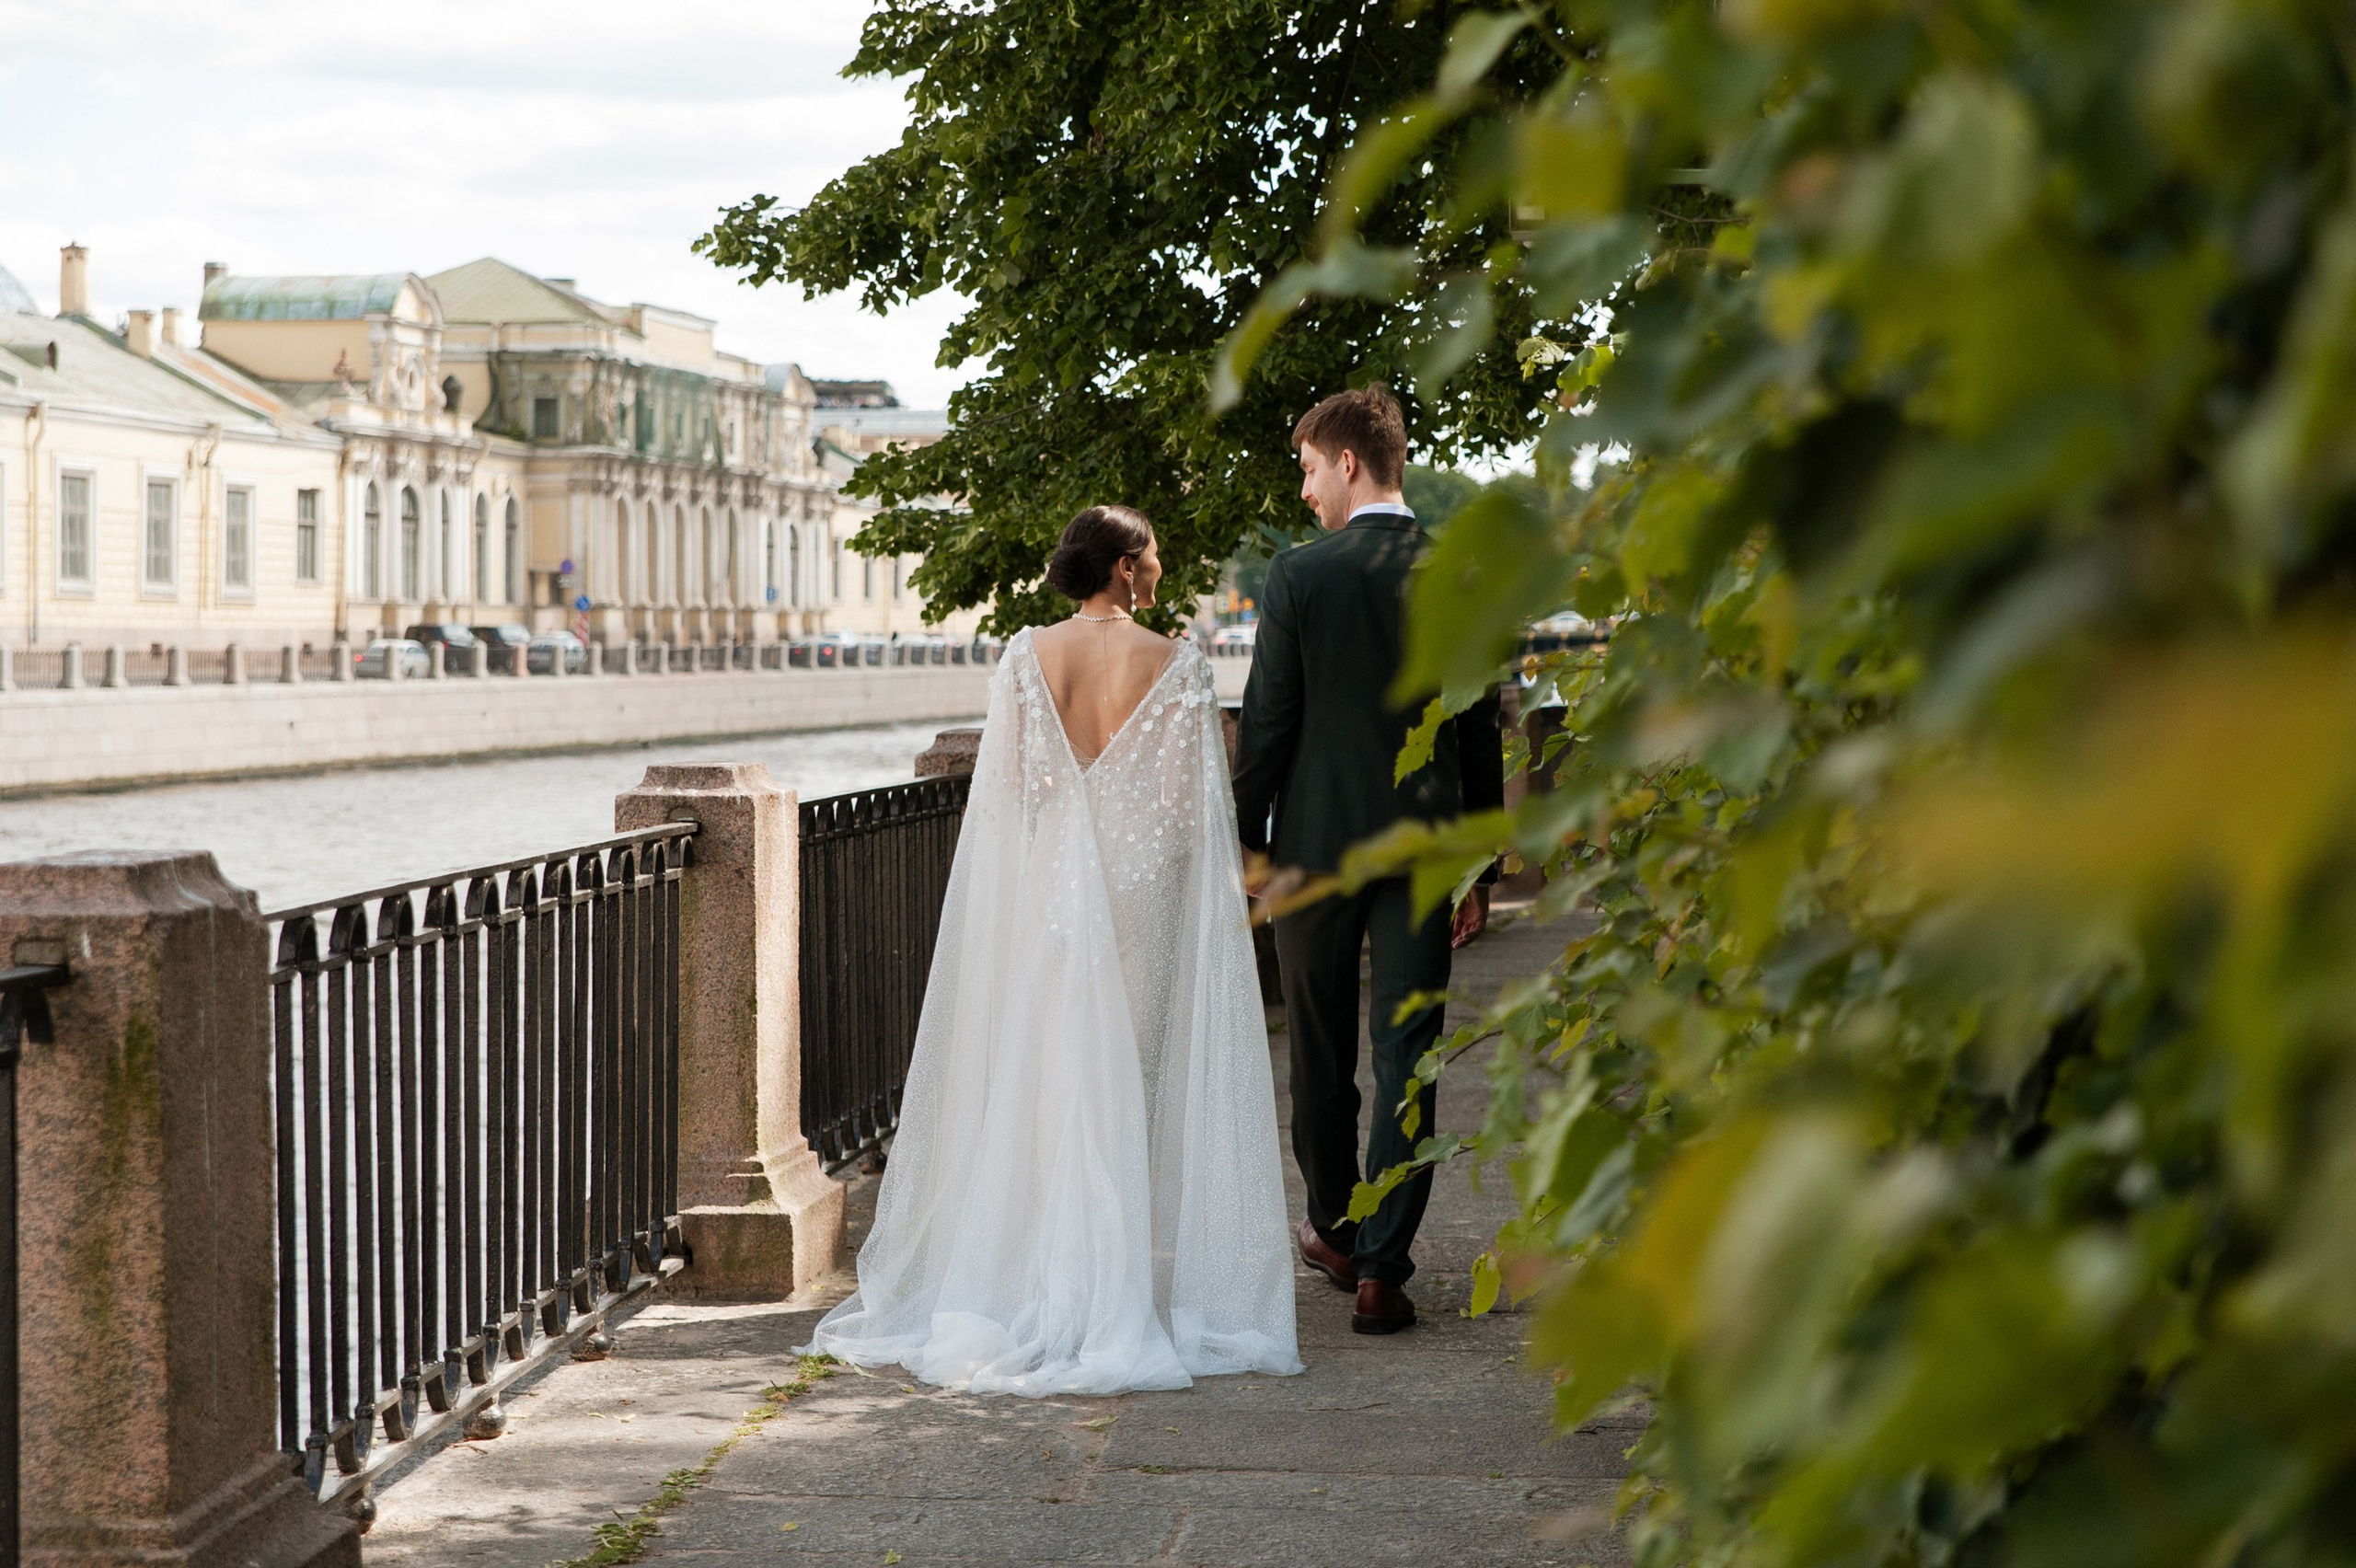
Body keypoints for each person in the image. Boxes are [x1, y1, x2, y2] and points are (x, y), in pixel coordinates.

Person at [803, 504, 1302, 1395]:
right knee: (1124, 1076)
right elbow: (1186, 803)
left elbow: (1022, 786)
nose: (1158, 566)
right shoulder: (1176, 662)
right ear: (1122, 567)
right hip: (1138, 879)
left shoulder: (1025, 655)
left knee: (1051, 1074)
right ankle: (1107, 1286)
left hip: (1052, 883)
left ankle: (1039, 1275)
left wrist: (1069, 819)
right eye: (1151, 554)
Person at [1232, 386, 1506, 1335]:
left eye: (1308, 468)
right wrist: (1481, 863)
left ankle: (1337, 1232)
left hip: (1312, 853)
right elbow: (1478, 730)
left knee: (1317, 1053)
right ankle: (1385, 1267)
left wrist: (1248, 839)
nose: (1305, 491)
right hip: (1429, 851)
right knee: (1408, 1057)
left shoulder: (1298, 577)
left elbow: (1267, 724)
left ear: (1349, 461)